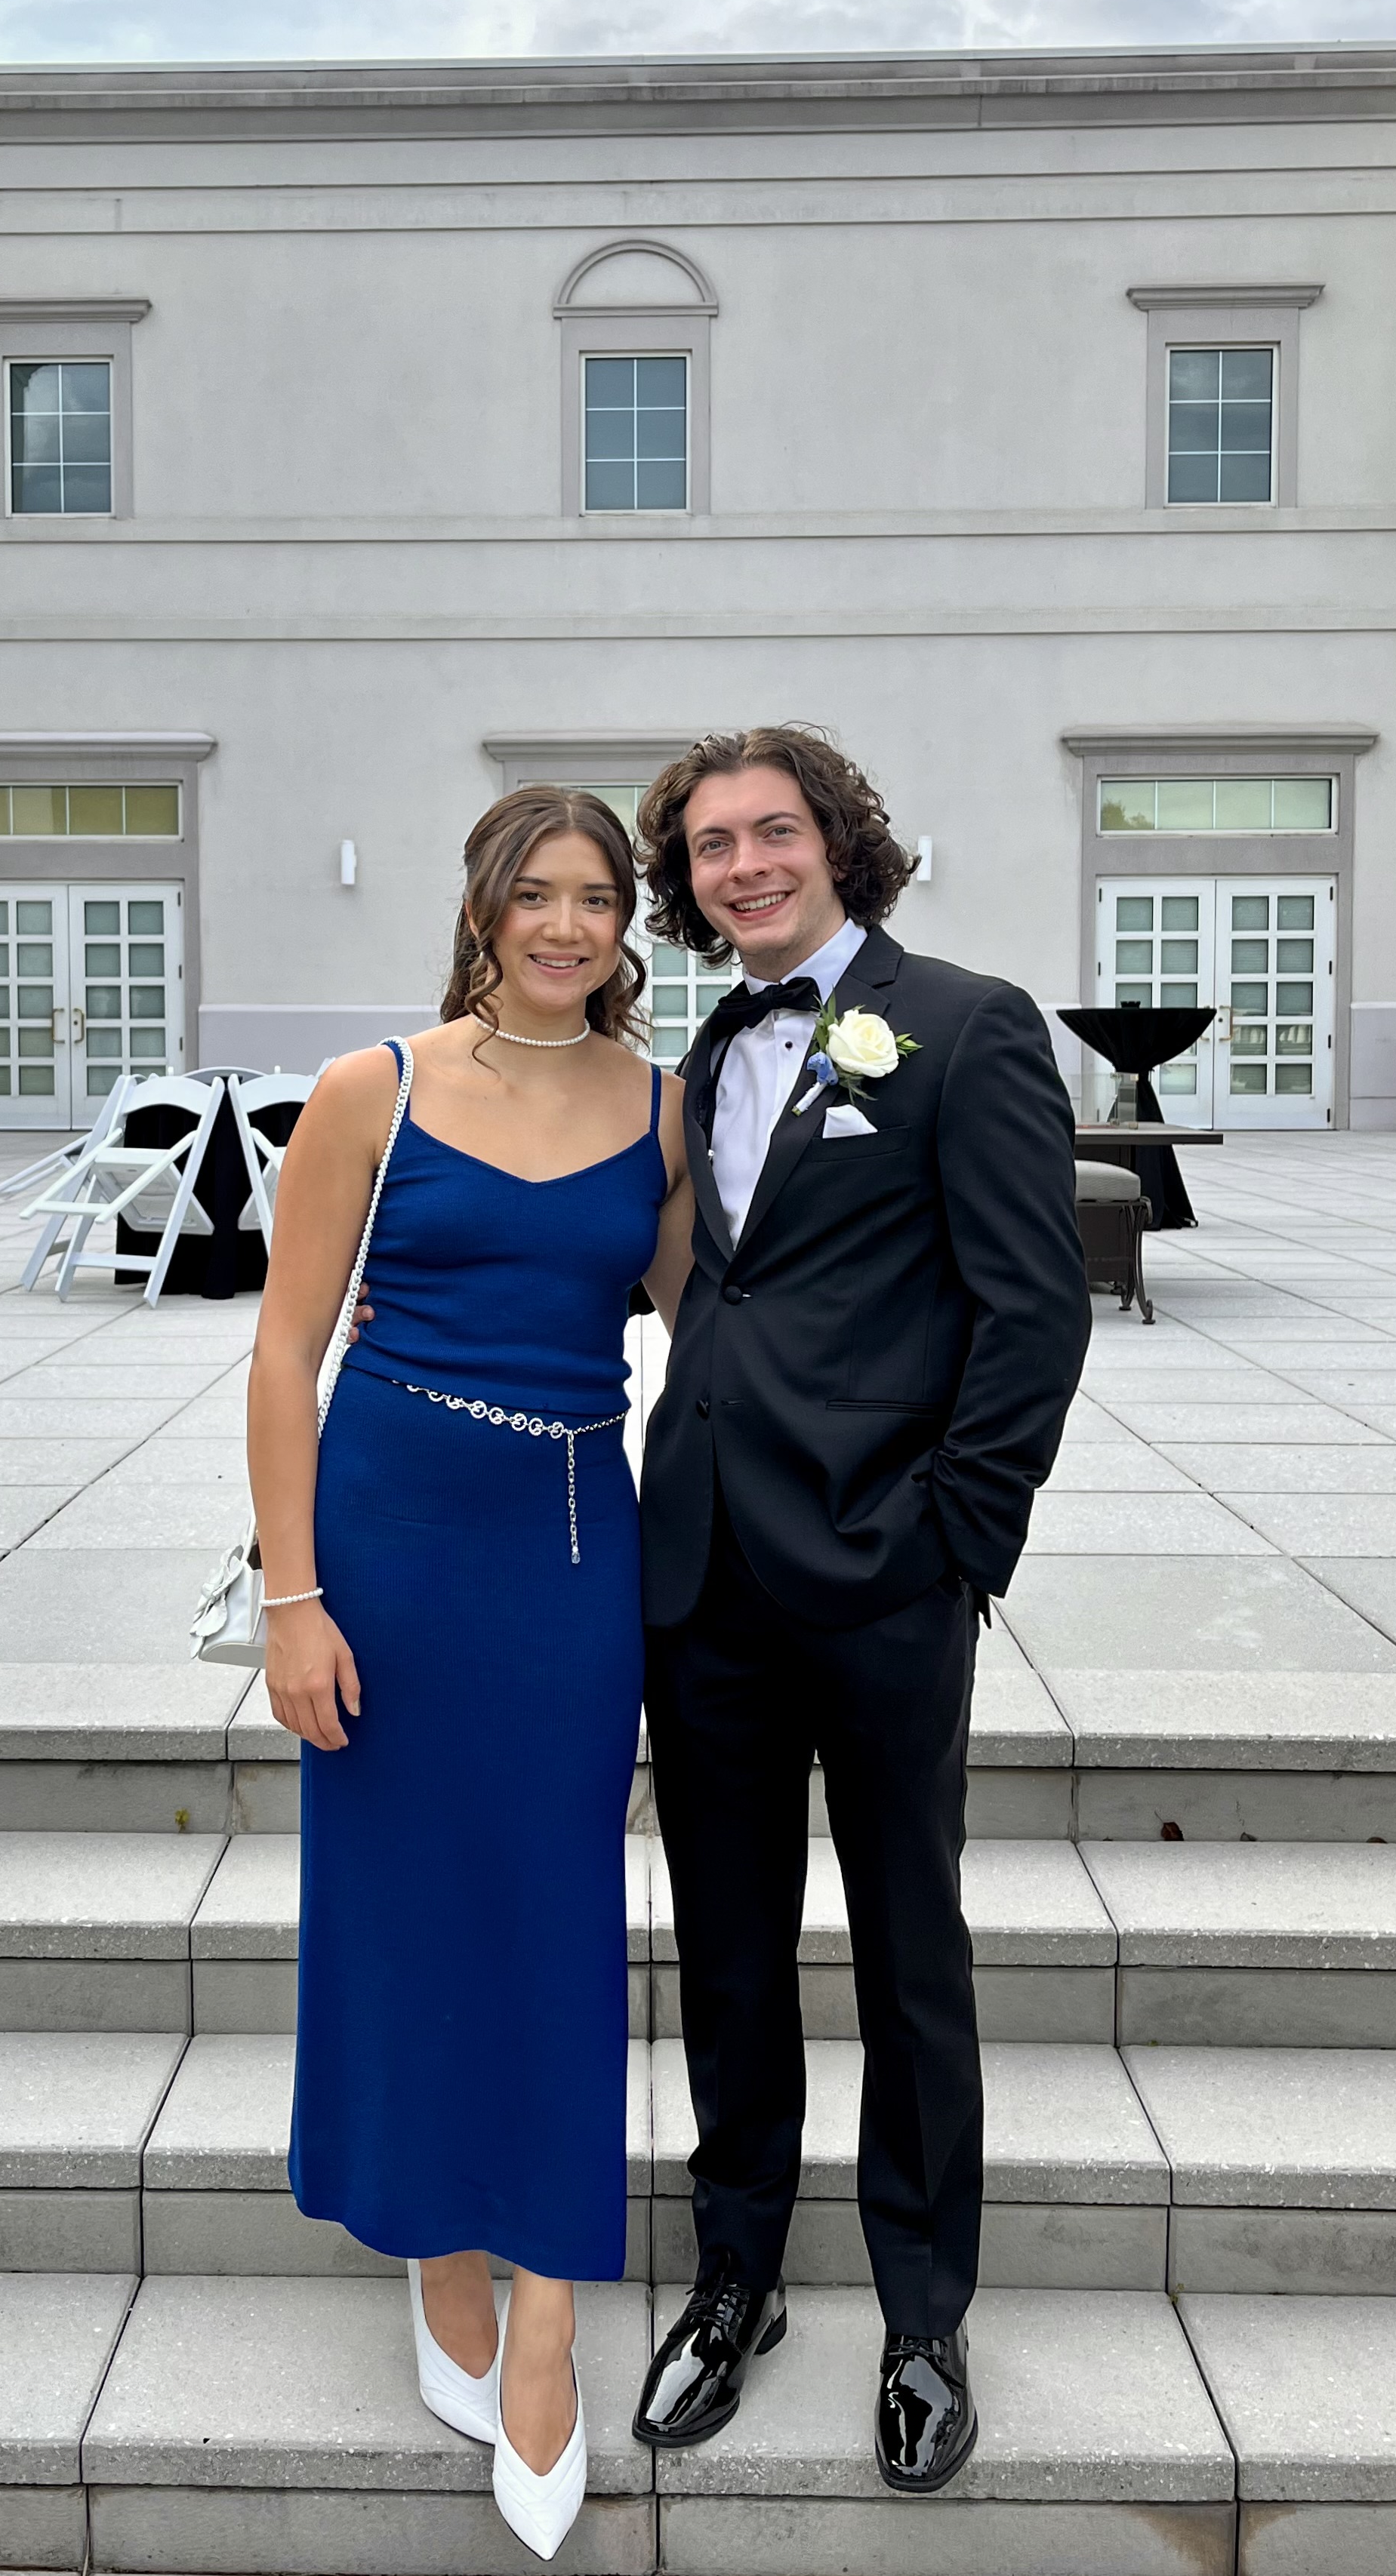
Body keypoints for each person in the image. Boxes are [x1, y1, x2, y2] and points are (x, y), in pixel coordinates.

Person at [627, 725, 1089, 2493]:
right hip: (703, 1582)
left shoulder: (965, 1026)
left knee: (911, 1951)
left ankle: (919, 2312)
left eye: (772, 832)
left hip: (887, 1578)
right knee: (729, 1958)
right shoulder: (693, 1055)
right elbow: (701, 1290)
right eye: (712, 846)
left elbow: (1027, 1312)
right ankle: (736, 2276)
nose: (743, 865)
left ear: (838, 843)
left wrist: (955, 1539)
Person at [245, 786, 693, 2562]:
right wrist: (294, 1596)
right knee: (404, 1903)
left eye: (596, 898)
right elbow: (286, 1351)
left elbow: (710, 1318)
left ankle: (556, 2308)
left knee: (556, 1906)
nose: (566, 926)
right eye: (537, 894)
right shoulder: (380, 1087)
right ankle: (436, 2238)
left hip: (575, 1545)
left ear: (625, 917)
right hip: (391, 1539)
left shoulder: (660, 1111)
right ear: (485, 908)